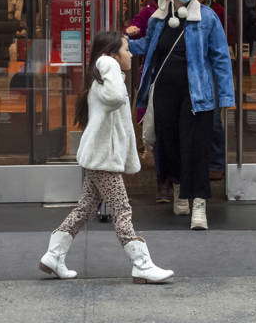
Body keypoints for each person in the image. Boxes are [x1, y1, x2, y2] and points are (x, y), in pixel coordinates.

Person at [39, 32, 174, 284]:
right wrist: (110, 66)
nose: (131, 54)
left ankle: (54, 254)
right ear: (113, 54)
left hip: (100, 157)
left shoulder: (104, 78)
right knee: (122, 209)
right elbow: (114, 97)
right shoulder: (108, 69)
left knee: (85, 207)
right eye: (126, 49)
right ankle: (141, 264)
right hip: (104, 159)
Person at [126, 0, 235, 230]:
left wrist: (226, 95)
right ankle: (178, 188)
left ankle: (199, 203)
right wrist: (120, 44)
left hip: (197, 94)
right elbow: (147, 46)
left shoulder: (207, 17)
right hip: (164, 91)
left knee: (196, 147)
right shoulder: (158, 19)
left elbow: (220, 57)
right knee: (169, 143)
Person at [192, 0, 227, 182]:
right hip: (192, 69)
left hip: (210, 69)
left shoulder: (218, 11)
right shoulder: (182, 11)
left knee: (213, 119)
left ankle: (216, 162)